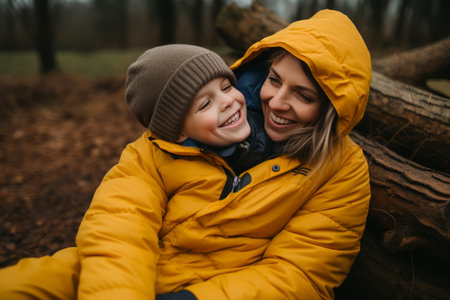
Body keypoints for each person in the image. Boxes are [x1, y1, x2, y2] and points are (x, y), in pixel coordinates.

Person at [0, 9, 372, 300]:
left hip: (215, 285)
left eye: (303, 96)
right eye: (273, 79)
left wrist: (190, 299)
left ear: (330, 109)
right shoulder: (172, 139)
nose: (276, 100)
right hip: (119, 269)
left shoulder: (340, 170)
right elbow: (119, 225)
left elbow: (300, 276)